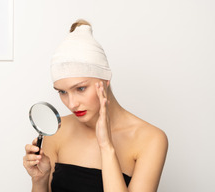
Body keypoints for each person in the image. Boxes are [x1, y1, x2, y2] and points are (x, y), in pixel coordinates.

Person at [23, 19, 168, 192]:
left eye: (81, 88)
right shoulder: (58, 130)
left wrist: (106, 147)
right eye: (62, 92)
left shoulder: (151, 139)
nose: (72, 103)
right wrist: (39, 180)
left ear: (105, 80)